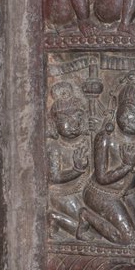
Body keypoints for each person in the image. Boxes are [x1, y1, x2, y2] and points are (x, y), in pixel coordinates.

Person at [78, 69, 135, 244]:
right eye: (132, 109)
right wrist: (127, 166)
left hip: (128, 195)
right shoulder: (106, 138)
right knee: (129, 239)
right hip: (101, 194)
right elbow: (101, 177)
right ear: (117, 106)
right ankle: (86, 217)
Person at [47, 81, 90, 237]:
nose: (73, 124)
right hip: (62, 195)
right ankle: (55, 217)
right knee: (85, 225)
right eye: (65, 119)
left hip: (83, 191)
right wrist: (76, 170)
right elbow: (53, 177)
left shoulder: (86, 142)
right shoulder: (55, 147)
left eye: (77, 118)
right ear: (53, 124)